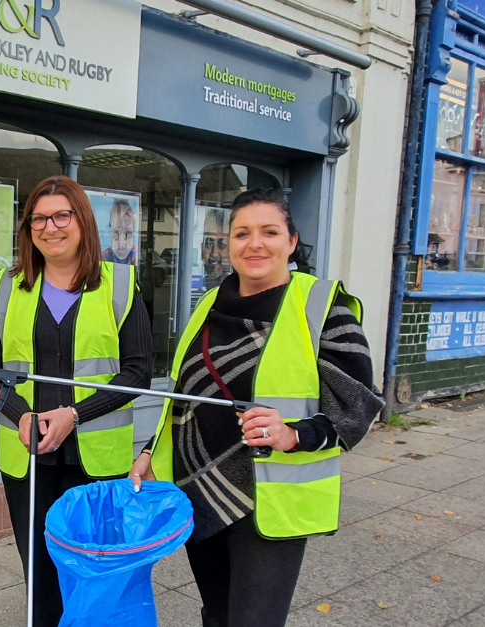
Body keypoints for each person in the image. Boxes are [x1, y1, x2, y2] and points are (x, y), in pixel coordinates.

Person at [129, 188, 383, 627]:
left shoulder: (322, 305)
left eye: (269, 231)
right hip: (199, 486)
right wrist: (152, 452)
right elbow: (184, 396)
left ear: (291, 240)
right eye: (242, 233)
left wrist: (294, 433)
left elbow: (358, 404)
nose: (255, 243)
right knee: (218, 613)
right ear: (229, 244)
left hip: (269, 495)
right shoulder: (208, 304)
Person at [0, 176, 151, 627]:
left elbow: (137, 373)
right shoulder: (7, 287)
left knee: (94, 574)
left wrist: (74, 414)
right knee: (40, 574)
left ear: (82, 222)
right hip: (27, 460)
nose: (50, 227)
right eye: (38, 218)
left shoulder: (120, 284)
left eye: (61, 216)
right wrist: (21, 413)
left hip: (95, 460)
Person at [102, 197, 138, 265]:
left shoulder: (139, 259)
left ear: (134, 236)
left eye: (128, 234)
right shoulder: (102, 259)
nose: (121, 243)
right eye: (116, 233)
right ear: (109, 234)